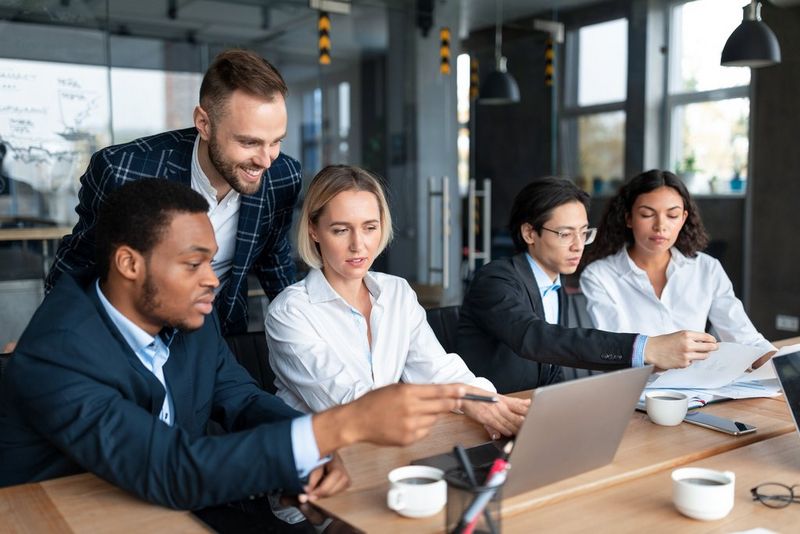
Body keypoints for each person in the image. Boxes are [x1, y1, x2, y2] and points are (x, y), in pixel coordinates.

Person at [0, 179, 471, 511]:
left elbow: (244, 401)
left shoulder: (189, 321)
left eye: (213, 263)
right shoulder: (58, 354)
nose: (213, 282)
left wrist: (310, 460)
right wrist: (337, 429)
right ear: (129, 264)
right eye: (193, 264)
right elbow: (170, 468)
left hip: (173, 505)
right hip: (64, 515)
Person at [46, 48, 300, 335]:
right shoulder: (124, 171)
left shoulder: (283, 176)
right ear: (204, 123)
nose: (266, 160)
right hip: (130, 340)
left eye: (276, 141)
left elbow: (275, 266)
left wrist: (307, 339)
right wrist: (50, 338)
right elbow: (77, 268)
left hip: (222, 339)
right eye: (249, 142)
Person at [266, 165, 529, 440]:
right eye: (341, 230)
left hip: (382, 449)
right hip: (321, 463)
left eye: (370, 227)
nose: (359, 245)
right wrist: (458, 398)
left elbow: (436, 370)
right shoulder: (290, 313)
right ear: (314, 230)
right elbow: (348, 405)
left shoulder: (397, 293)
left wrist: (488, 403)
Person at [457, 177, 719, 394]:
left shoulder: (555, 286)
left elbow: (555, 365)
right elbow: (537, 339)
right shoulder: (495, 281)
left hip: (533, 417)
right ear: (529, 233)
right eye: (565, 234)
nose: (578, 245)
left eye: (583, 233)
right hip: (484, 423)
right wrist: (646, 348)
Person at [581, 169, 774, 360]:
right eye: (647, 215)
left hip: (697, 385)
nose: (660, 226)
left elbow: (743, 337)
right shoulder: (599, 275)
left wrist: (781, 363)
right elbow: (616, 350)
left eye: (672, 216)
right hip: (635, 386)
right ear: (629, 218)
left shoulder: (706, 268)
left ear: (683, 218)